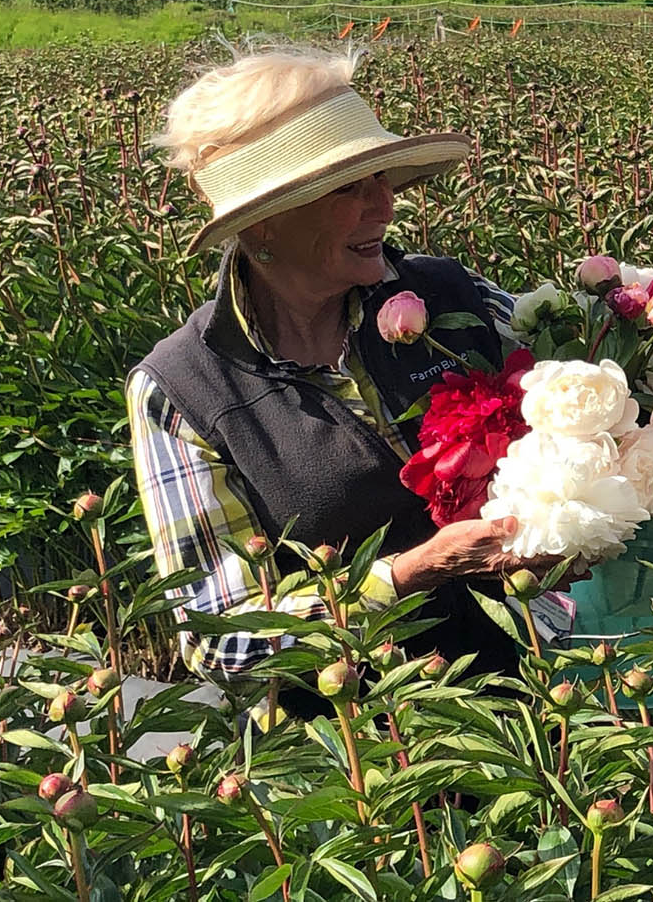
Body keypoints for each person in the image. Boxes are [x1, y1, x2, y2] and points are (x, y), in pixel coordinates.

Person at [127, 44, 556, 689]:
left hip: (537, 696)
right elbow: (220, 638)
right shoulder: (183, 388)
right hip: (358, 745)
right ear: (265, 222)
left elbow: (586, 365)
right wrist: (411, 573)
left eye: (382, 177)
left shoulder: (448, 298)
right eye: (350, 186)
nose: (384, 205)